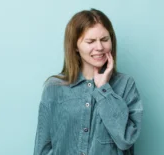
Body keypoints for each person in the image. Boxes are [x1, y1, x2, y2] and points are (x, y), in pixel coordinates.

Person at [33, 8, 143, 155]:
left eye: (104, 40)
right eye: (90, 41)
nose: (99, 47)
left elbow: (126, 140)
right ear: (75, 47)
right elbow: (42, 148)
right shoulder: (54, 88)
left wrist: (104, 89)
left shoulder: (126, 85)